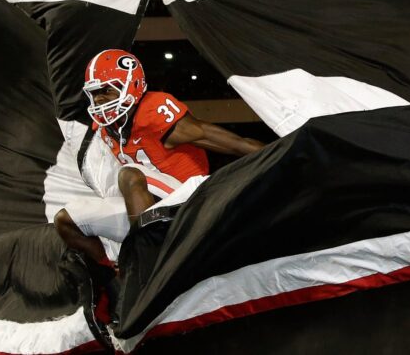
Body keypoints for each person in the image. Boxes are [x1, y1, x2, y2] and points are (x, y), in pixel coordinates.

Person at [54, 49, 264, 268]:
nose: (99, 99)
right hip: (148, 213)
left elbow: (234, 142)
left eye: (107, 90)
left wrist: (282, 152)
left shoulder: (153, 111)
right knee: (67, 219)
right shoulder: (106, 129)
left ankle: (148, 262)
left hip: (188, 201)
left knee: (128, 174)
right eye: (95, 93)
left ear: (132, 84)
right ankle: (115, 275)